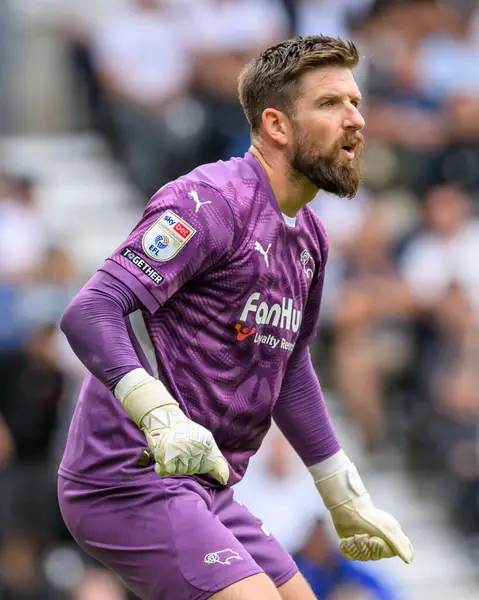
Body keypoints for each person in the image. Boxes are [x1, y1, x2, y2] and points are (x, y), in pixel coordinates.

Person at [58, 35, 413, 600]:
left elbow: (290, 367)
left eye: (355, 101)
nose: (356, 120)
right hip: (129, 479)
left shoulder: (311, 239)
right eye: (330, 104)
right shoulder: (208, 202)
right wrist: (159, 415)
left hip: (208, 486)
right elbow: (91, 311)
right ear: (276, 125)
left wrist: (342, 494)